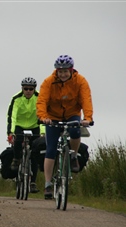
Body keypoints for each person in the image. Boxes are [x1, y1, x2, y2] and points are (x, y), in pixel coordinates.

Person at [36, 55, 93, 199]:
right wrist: (43, 117)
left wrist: (87, 118)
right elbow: (42, 100)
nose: (62, 74)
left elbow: (86, 99)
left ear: (71, 70)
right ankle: (48, 184)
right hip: (53, 116)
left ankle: (73, 155)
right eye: (60, 71)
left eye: (65, 71)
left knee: (75, 131)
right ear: (56, 71)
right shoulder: (48, 82)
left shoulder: (80, 81)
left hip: (72, 114)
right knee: (50, 149)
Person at [7, 77, 44, 193]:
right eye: (25, 88)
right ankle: (17, 158)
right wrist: (10, 132)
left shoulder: (39, 98)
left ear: (34, 89)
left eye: (31, 89)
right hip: (19, 125)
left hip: (35, 126)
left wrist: (42, 132)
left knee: (34, 154)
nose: (28, 91)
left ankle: (32, 182)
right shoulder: (16, 99)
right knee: (17, 141)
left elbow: (42, 115)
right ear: (22, 88)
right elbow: (12, 116)